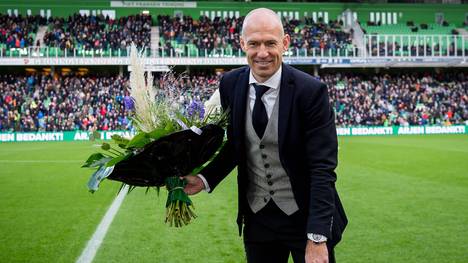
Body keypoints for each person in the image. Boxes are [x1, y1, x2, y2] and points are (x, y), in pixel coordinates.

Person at [183, 8, 347, 263]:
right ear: (241, 44)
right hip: (257, 219)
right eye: (254, 44)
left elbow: (322, 168)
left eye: (271, 43)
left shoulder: (311, 92)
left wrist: (317, 238)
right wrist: (204, 178)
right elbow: (237, 144)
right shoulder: (230, 84)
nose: (262, 53)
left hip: (305, 218)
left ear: (285, 43)